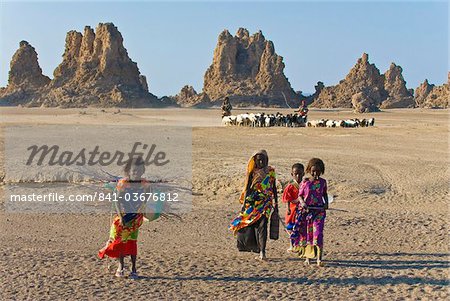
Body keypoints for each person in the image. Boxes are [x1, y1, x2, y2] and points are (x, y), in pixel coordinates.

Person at [98, 156, 150, 279]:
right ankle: (121, 266)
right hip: (122, 216)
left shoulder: (144, 184)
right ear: (128, 171)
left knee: (132, 243)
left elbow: (147, 197)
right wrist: (121, 216)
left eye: (138, 171)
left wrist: (142, 209)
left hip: (136, 218)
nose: (136, 173)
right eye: (133, 171)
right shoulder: (123, 183)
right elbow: (116, 201)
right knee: (120, 241)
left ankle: (133, 269)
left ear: (142, 171)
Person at [229, 150, 278, 260]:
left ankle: (262, 251)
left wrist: (276, 203)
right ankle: (254, 247)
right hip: (253, 202)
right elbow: (248, 188)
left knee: (263, 225)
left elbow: (273, 187)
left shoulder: (271, 171)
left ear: (267, 160)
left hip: (266, 202)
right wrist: (245, 204)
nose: (261, 161)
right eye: (258, 159)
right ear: (255, 160)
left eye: (263, 159)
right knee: (251, 224)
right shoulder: (252, 172)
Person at [290, 158, 328, 267]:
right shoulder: (305, 182)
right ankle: (308, 257)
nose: (315, 173)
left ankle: (319, 259)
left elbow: (325, 194)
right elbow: (300, 196)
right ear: (309, 170)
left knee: (318, 234)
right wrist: (303, 203)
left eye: (318, 171)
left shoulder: (322, 182)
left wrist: (326, 204)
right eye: (313, 171)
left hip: (319, 211)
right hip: (306, 212)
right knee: (308, 235)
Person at [281, 163, 304, 252]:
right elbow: (287, 199)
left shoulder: (305, 185)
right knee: (291, 228)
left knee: (301, 228)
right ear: (292, 174)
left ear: (303, 173)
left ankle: (299, 245)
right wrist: (288, 209)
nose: (298, 176)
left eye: (300, 174)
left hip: (302, 210)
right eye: (296, 174)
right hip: (293, 210)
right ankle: (292, 245)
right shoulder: (290, 186)